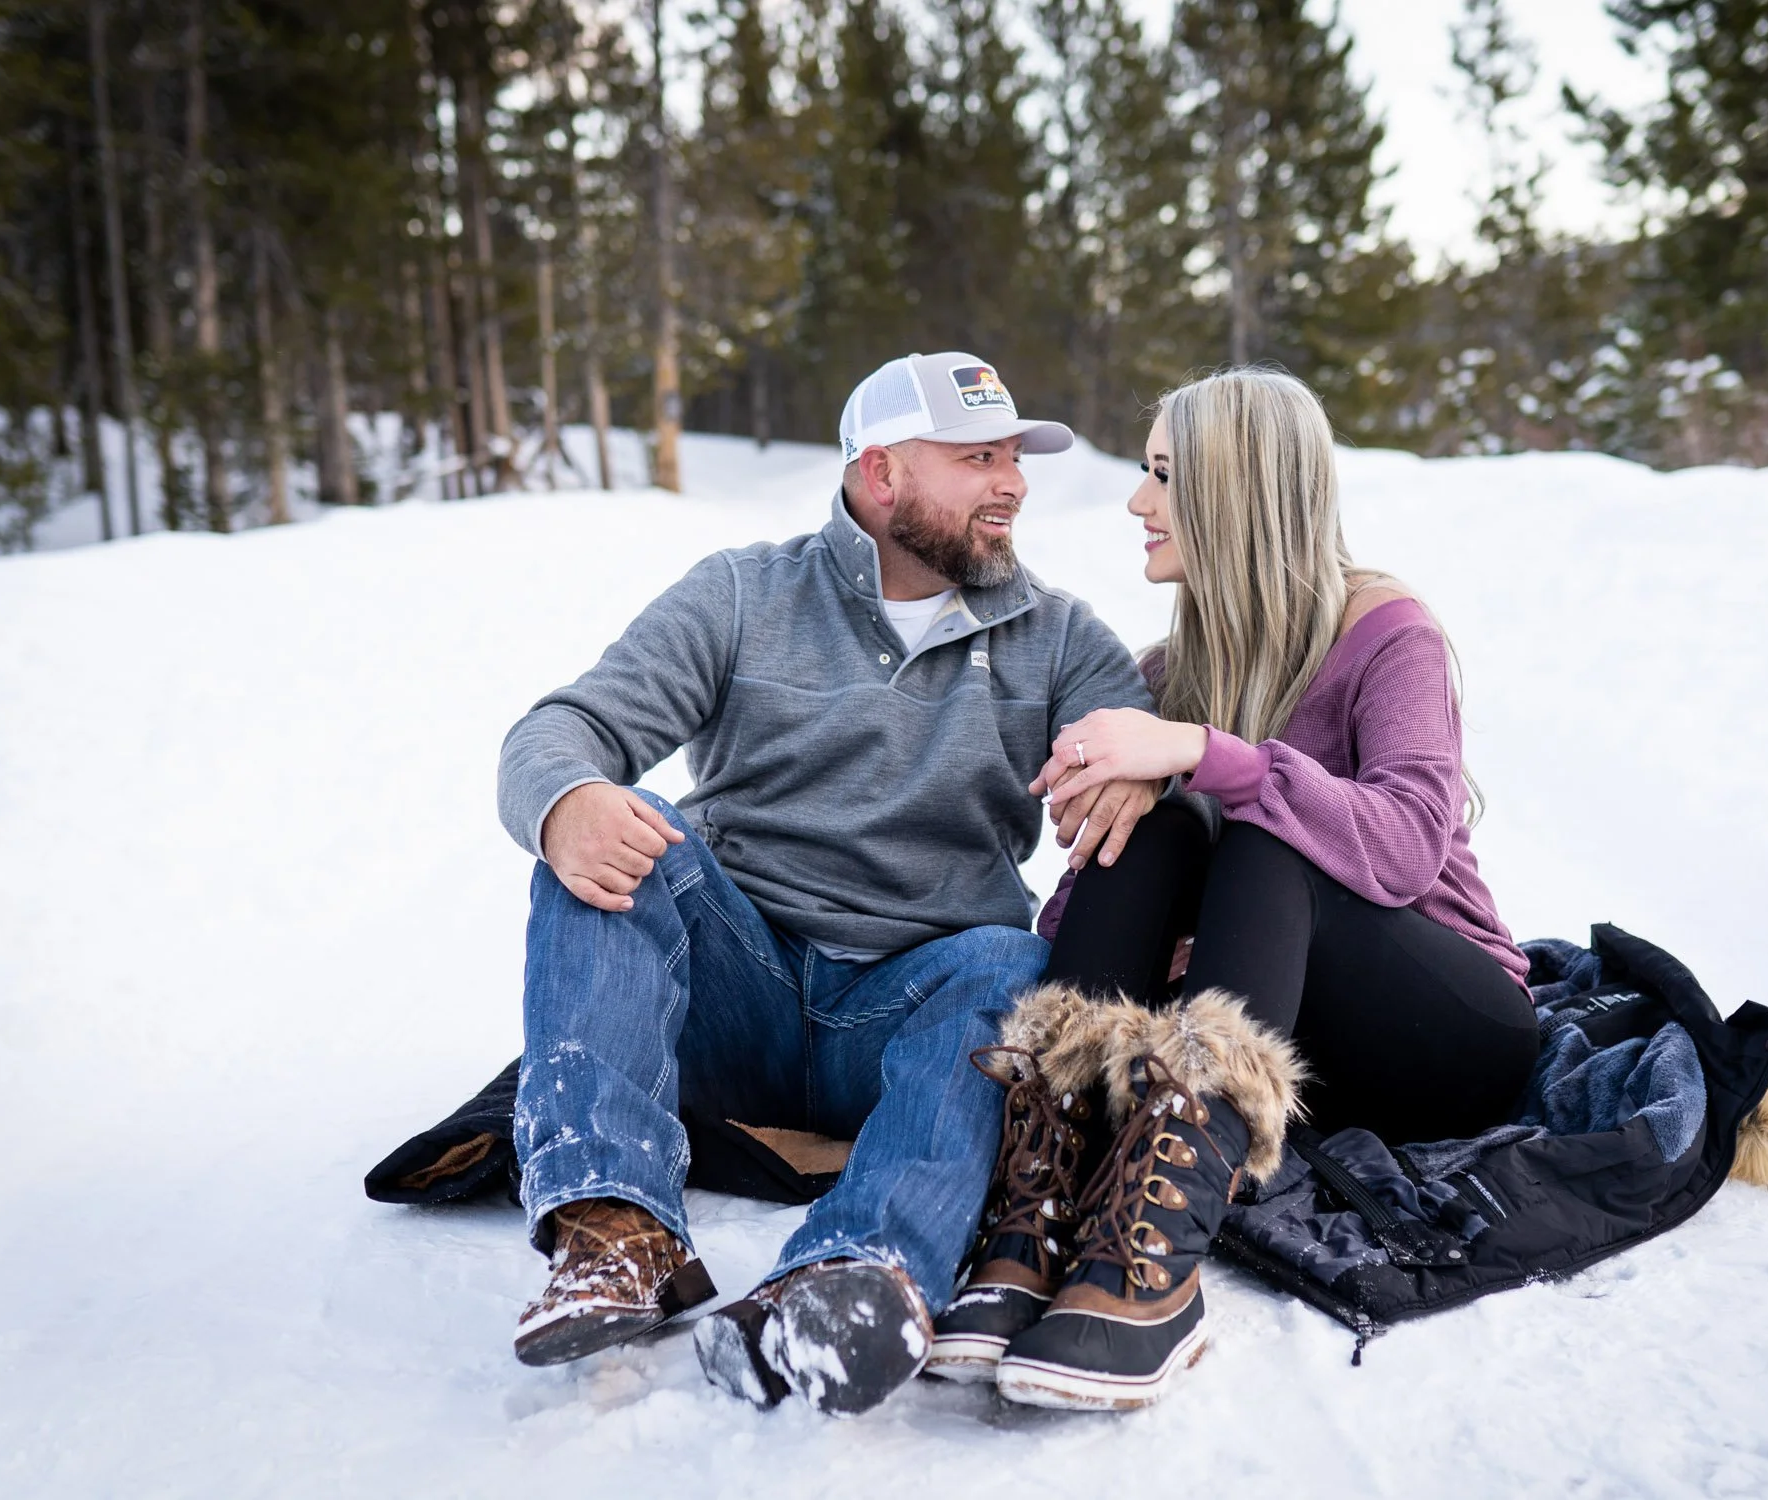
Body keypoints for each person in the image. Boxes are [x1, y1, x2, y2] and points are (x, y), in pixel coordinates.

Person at [497, 351, 1158, 1417]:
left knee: (1013, 960)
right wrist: (563, 800)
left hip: (911, 1014)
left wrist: (1149, 767)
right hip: (734, 991)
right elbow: (565, 729)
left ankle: (857, 1272)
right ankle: (615, 1231)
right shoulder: (744, 592)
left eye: (1015, 459)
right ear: (883, 472)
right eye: (979, 457)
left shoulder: (1061, 638)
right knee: (621, 832)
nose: (1015, 484)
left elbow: (1144, 775)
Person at [926, 367, 1539, 1411]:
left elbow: (1404, 845)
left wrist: (1214, 755)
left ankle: (1154, 1259)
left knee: (1265, 838)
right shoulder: (1170, 670)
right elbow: (1082, 909)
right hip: (1292, 1053)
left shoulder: (1389, 635)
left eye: (1161, 475)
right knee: (1165, 821)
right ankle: (1038, 1206)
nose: (1136, 502)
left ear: (1234, 489)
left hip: (1449, 1033)